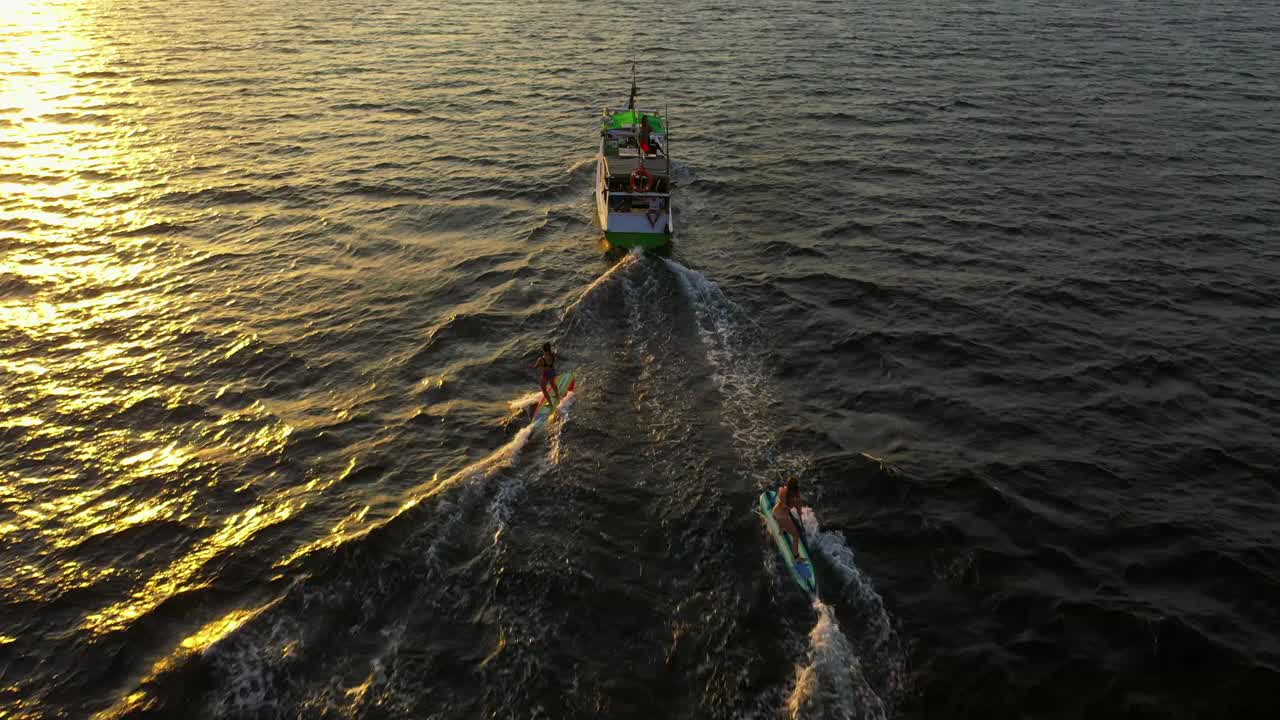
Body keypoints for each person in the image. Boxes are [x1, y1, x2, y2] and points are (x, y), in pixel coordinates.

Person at [772, 477, 808, 562]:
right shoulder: (795, 499)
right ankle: (796, 557)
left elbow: (781, 498)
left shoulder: (783, 490)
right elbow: (799, 512)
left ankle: (782, 529)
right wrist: (802, 525)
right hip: (782, 516)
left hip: (775, 511)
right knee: (796, 535)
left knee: (787, 518)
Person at [532, 342, 563, 407]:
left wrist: (533, 366)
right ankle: (557, 395)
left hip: (545, 374)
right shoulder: (552, 355)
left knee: (543, 389)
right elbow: (554, 359)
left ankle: (550, 403)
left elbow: (535, 367)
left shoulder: (541, 359)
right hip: (552, 372)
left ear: (543, 350)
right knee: (552, 384)